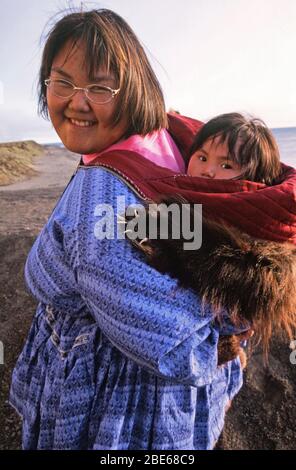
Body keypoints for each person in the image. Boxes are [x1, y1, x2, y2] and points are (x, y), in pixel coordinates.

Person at [9, 8, 296, 451]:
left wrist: (220, 343)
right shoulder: (170, 139)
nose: (76, 101)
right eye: (61, 81)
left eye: (100, 86)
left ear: (133, 89)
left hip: (119, 409)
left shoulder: (101, 196)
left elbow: (174, 347)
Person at [120, 112, 296, 358]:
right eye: (201, 157)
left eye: (226, 166)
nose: (207, 171)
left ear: (255, 179)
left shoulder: (253, 234)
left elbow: (238, 298)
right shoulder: (180, 195)